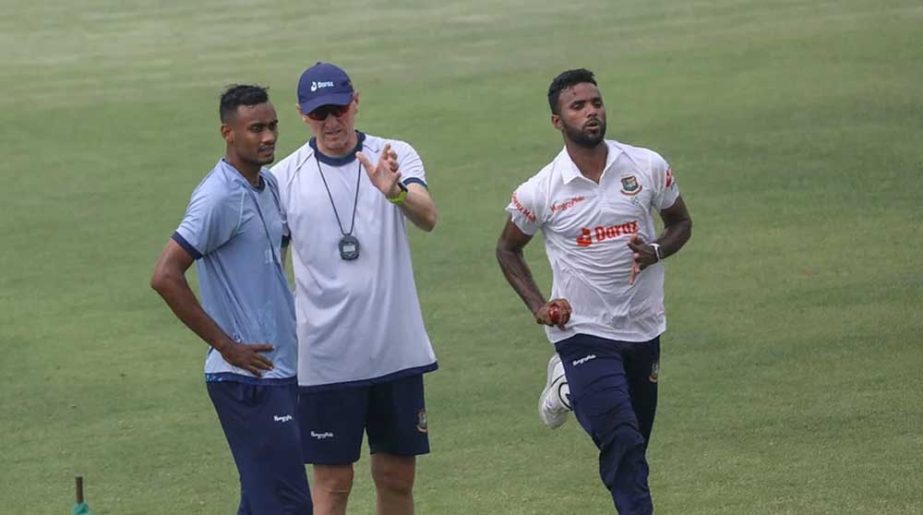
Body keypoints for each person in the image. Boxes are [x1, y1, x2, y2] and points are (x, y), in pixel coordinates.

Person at [496, 68, 693, 514]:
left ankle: (568, 391)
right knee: (621, 439)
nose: (591, 112)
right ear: (557, 120)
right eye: (578, 106)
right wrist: (540, 306)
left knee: (635, 443)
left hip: (642, 328)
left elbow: (680, 223)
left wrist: (656, 250)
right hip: (580, 330)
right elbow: (508, 250)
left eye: (596, 103)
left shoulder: (646, 166)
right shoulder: (541, 190)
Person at [271, 62, 438, 515]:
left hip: (395, 349)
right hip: (325, 358)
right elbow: (271, 262)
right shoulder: (284, 178)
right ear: (303, 116)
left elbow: (428, 217)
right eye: (319, 113)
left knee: (396, 477)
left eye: (339, 109)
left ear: (356, 102)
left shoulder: (394, 153)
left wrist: (396, 191)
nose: (331, 122)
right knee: (332, 484)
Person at [150, 85, 312, 515]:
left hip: (281, 370)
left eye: (272, 126)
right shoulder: (217, 197)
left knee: (262, 503)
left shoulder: (268, 185)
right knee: (289, 506)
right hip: (247, 380)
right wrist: (226, 345)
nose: (268, 137)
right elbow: (165, 276)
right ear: (228, 132)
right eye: (255, 128)